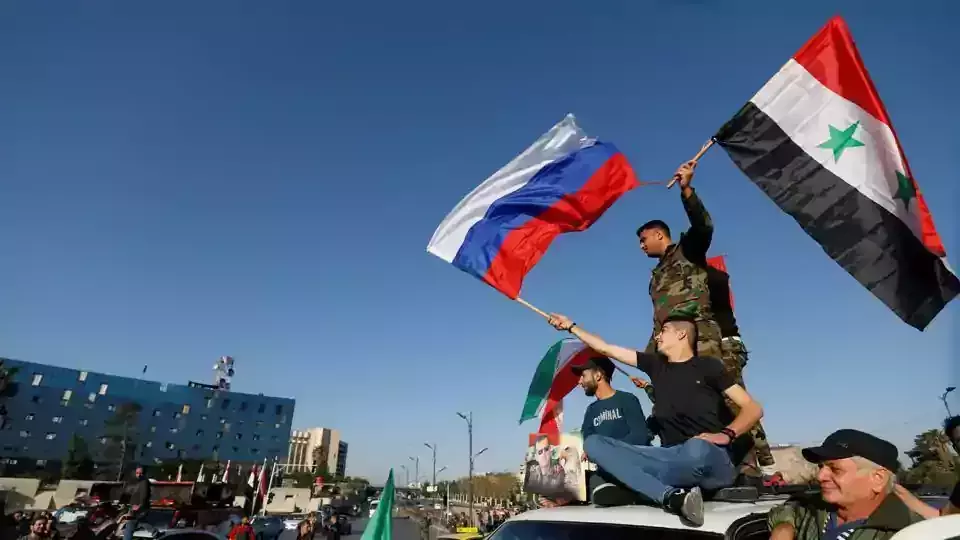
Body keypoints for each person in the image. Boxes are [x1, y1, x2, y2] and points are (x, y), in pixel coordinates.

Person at [546, 312, 763, 526]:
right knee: (594, 444)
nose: (658, 336)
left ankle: (638, 488)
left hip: (709, 457)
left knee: (695, 448)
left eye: (664, 331)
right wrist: (571, 326)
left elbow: (753, 408)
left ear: (681, 334)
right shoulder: (656, 365)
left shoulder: (708, 367)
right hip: (668, 459)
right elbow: (606, 349)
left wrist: (727, 434)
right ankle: (671, 497)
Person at [636, 162, 774, 474]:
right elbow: (661, 319)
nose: (641, 246)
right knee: (678, 396)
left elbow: (703, 226)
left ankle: (750, 466)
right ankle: (687, 457)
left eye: (644, 239)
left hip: (703, 335)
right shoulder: (656, 275)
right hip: (672, 341)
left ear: (659, 234)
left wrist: (686, 189)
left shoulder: (688, 252)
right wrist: (650, 357)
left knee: (728, 396)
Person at [768, 429, 923, 539]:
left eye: (835, 469)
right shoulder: (816, 509)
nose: (820, 476)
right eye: (821, 467)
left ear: (878, 479)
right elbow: (788, 510)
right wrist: (783, 528)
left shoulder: (910, 533)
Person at [573, 357, 651, 506]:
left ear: (598, 375)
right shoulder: (591, 411)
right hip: (605, 476)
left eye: (583, 376)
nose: (580, 382)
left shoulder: (627, 400)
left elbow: (640, 436)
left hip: (634, 468)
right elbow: (589, 441)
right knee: (597, 491)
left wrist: (606, 450)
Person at [123, 465, 151, 540]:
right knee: (140, 522)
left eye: (141, 473)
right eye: (137, 473)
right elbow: (128, 492)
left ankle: (155, 533)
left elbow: (144, 495)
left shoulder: (144, 482)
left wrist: (139, 505)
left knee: (130, 525)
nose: (138, 475)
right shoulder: (135, 482)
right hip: (134, 506)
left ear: (144, 474)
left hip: (139, 507)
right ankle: (155, 533)